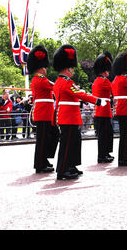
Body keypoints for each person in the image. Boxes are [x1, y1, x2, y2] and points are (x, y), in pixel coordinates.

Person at [53, 45, 106, 180]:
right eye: (72, 67)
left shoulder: (61, 81)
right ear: (67, 68)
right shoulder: (66, 82)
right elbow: (81, 94)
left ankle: (70, 166)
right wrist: (98, 101)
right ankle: (63, 170)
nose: (73, 70)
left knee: (74, 143)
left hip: (70, 116)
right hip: (68, 117)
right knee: (67, 144)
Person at [28, 45, 59, 173]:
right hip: (43, 113)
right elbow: (56, 86)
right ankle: (40, 164)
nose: (47, 69)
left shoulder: (39, 79)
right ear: (41, 68)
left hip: (46, 112)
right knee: (43, 139)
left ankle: (44, 160)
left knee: (51, 136)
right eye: (45, 67)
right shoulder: (41, 80)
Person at [92, 52, 114, 163]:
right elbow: (114, 88)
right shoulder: (104, 81)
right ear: (105, 70)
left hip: (100, 112)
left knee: (105, 135)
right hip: (103, 112)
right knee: (104, 136)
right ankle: (102, 156)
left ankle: (105, 154)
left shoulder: (97, 80)